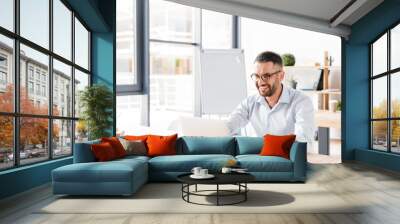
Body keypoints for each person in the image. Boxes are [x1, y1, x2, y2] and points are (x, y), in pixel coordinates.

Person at [227, 51, 314, 142]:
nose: (260, 82)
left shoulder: (301, 101)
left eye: (266, 76)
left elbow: (304, 139)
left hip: (285, 156)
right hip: (254, 155)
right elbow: (228, 126)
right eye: (256, 76)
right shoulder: (250, 102)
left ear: (281, 76)